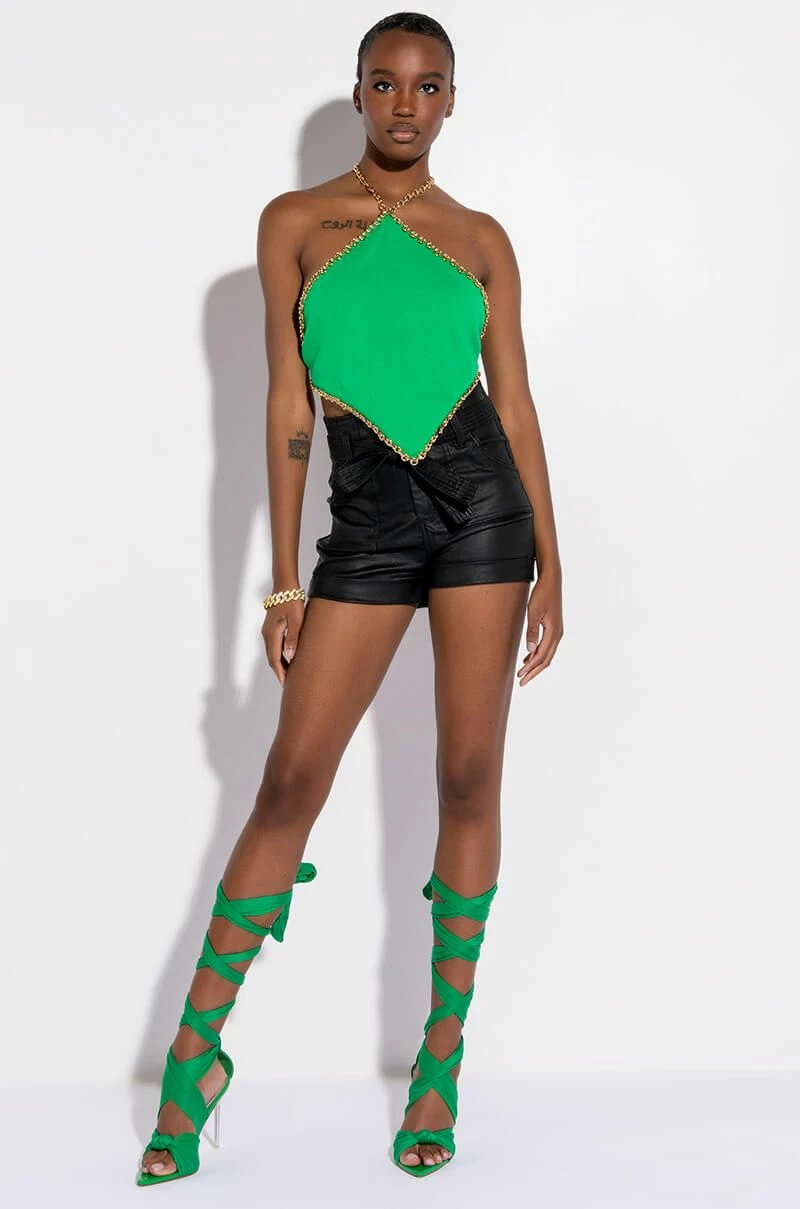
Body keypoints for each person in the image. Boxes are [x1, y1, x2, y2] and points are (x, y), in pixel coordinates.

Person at [136, 10, 563, 1187]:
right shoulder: (295, 224)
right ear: (360, 91)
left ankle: (438, 1065)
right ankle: (193, 1061)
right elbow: (285, 406)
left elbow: (517, 410)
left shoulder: (480, 240)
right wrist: (284, 579)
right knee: (289, 781)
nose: (403, 105)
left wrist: (552, 564)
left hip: (484, 521)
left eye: (426, 87)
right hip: (365, 528)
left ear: (450, 101)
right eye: (384, 83)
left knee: (467, 778)